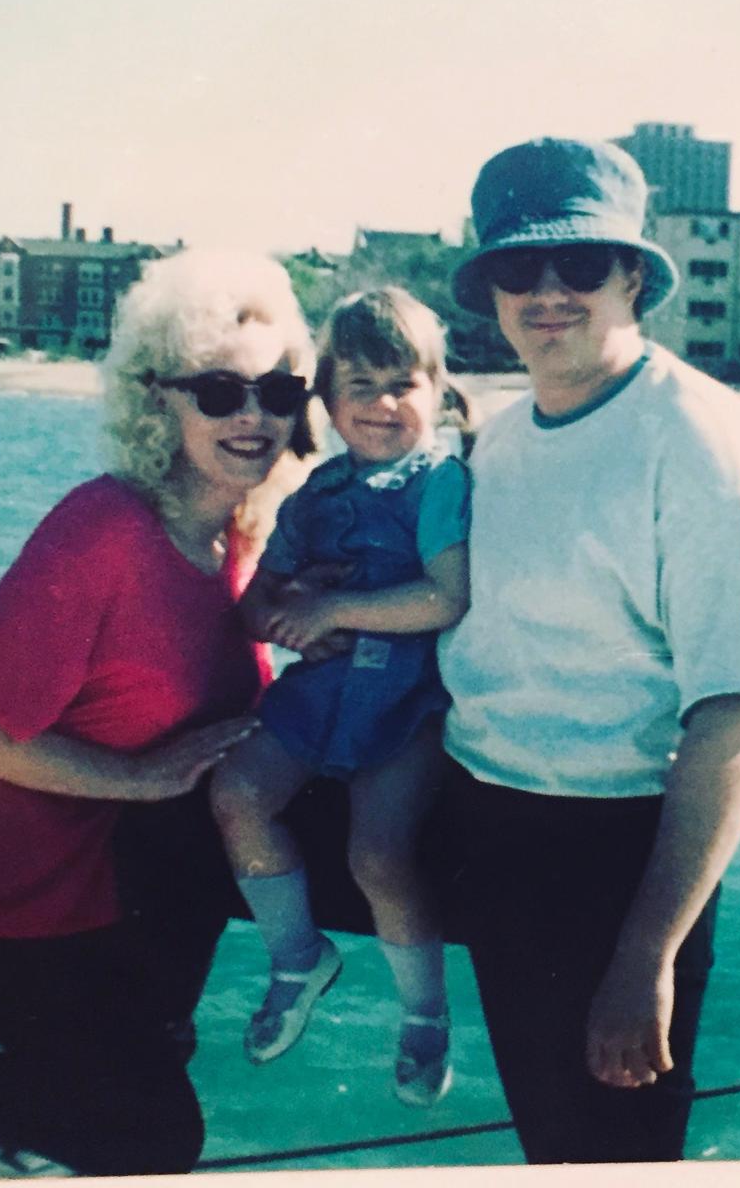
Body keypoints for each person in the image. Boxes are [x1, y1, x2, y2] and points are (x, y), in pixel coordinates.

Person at [0, 250, 318, 1181]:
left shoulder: (240, 542)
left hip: (68, 911)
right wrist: (134, 778)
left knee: (150, 1137)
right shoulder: (106, 531)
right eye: (218, 392)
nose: (253, 416)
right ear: (159, 402)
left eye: (278, 389)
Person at [438, 137, 740, 1164]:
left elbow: (733, 715)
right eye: (519, 268)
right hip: (483, 821)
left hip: (613, 861)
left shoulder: (700, 442)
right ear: (491, 291)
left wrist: (646, 952)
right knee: (544, 1140)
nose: (547, 292)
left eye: (581, 266)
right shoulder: (503, 438)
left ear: (633, 277)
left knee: (608, 1156)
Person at [209, 287, 470, 1108]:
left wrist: (329, 608)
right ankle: (297, 956)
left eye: (404, 383)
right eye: (360, 386)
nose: (384, 404)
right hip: (319, 695)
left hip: (406, 703)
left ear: (439, 391)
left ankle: (424, 1012)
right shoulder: (316, 494)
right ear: (325, 400)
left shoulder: (441, 484)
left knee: (377, 856)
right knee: (237, 795)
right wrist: (290, 616)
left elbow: (446, 597)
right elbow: (256, 604)